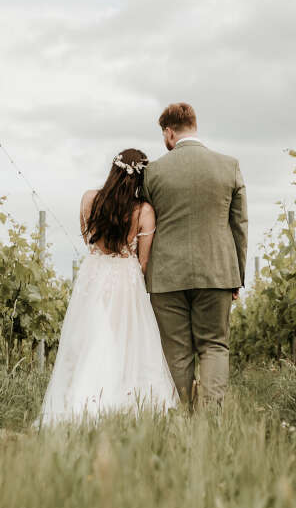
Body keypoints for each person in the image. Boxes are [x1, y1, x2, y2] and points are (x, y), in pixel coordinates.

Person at [37, 148, 178, 425]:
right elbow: (144, 260)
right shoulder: (144, 211)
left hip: (93, 274)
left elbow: (88, 241)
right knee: (127, 340)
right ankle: (124, 403)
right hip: (126, 279)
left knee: (89, 336)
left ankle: (82, 399)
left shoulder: (89, 199)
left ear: (113, 170)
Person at [143, 103, 248, 410]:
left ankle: (184, 416)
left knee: (176, 352)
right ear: (194, 126)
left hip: (166, 276)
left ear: (168, 132)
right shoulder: (228, 166)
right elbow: (239, 225)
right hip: (216, 271)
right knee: (214, 345)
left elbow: (145, 223)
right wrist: (237, 276)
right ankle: (210, 418)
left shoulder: (153, 172)